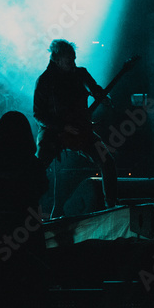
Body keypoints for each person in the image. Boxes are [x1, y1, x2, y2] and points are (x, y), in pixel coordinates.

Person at [33, 39, 118, 215]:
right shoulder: (44, 80)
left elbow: (95, 88)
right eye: (69, 61)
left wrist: (103, 96)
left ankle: (111, 204)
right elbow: (38, 114)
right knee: (37, 167)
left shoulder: (80, 74)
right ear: (56, 59)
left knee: (107, 161)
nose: (73, 64)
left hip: (80, 129)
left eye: (74, 59)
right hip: (53, 131)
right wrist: (62, 127)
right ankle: (30, 207)